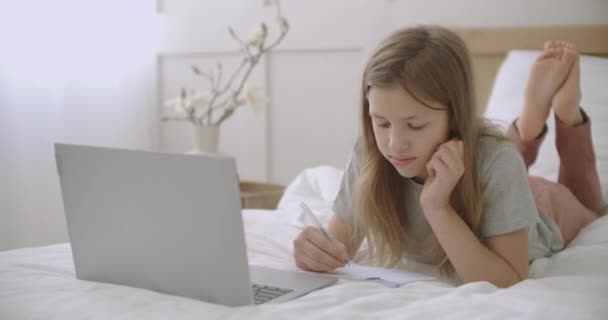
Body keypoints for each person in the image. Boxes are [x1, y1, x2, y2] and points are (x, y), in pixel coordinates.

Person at [292, 25, 604, 288]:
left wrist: (437, 207)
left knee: (589, 205)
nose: (394, 144)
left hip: (540, 204)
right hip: (487, 172)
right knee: (493, 159)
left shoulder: (498, 163)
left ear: (455, 116)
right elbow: (338, 246)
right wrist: (315, 251)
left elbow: (509, 279)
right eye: (381, 122)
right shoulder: (372, 153)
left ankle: (566, 113)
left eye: (414, 125)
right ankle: (528, 123)